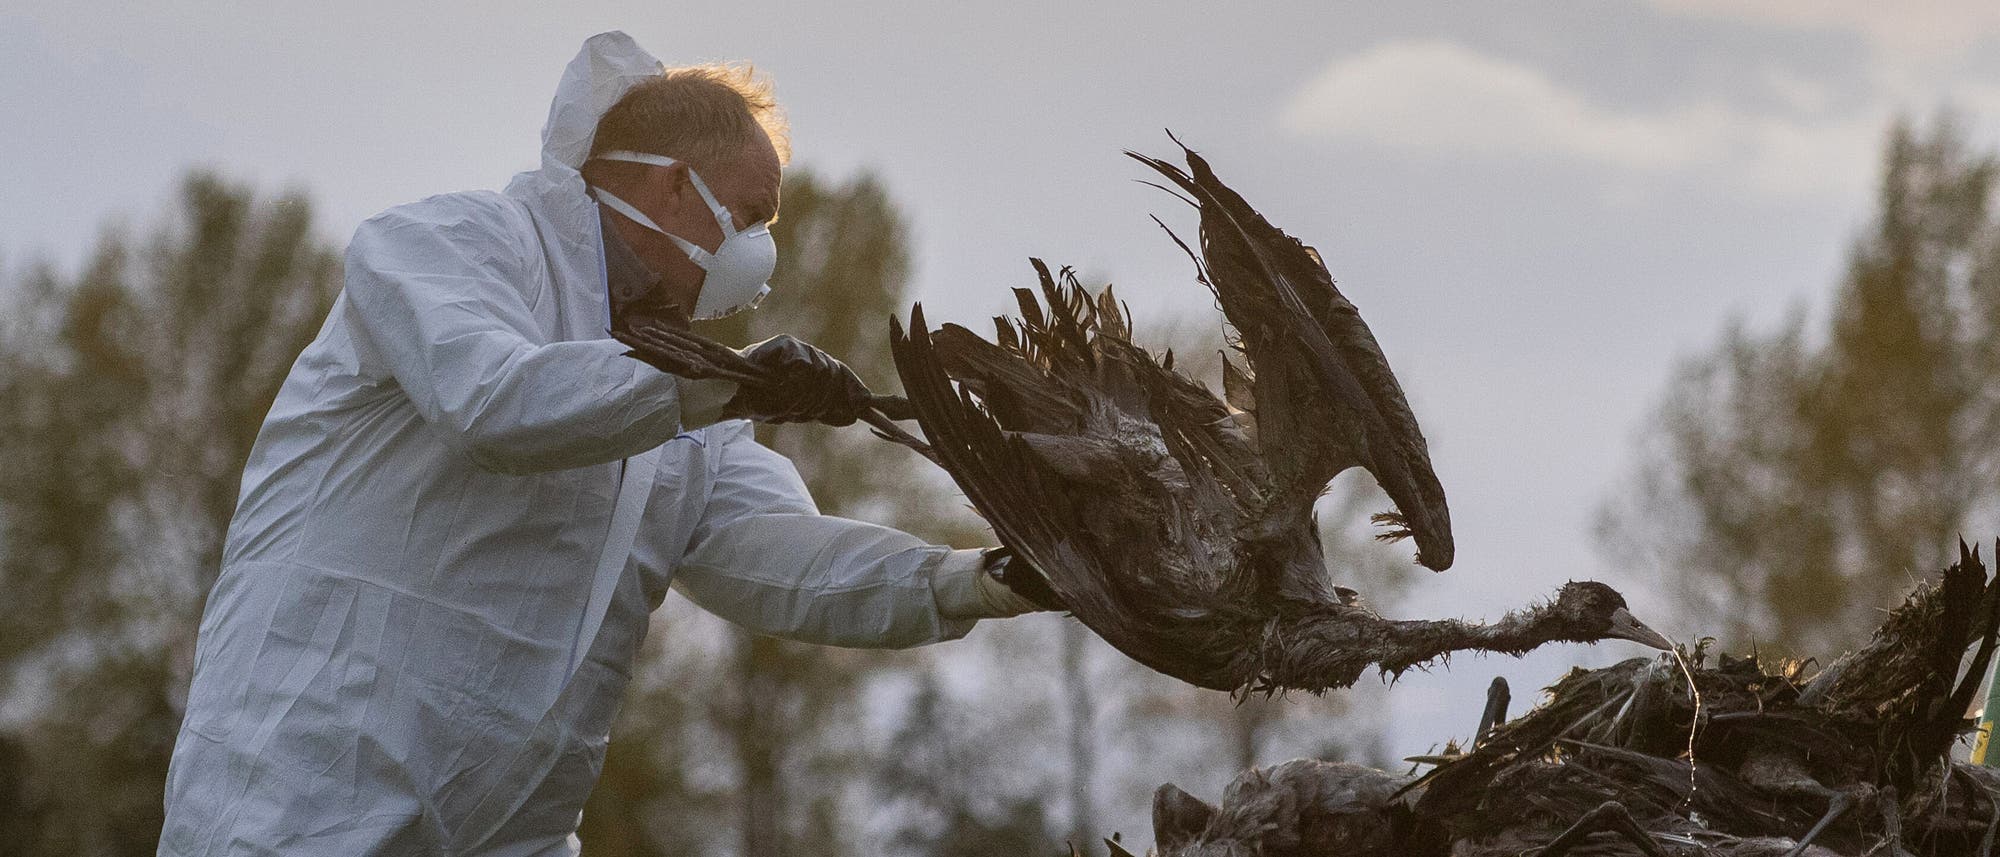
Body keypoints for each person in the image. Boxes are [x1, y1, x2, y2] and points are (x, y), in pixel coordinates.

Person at [157, 31, 1046, 856]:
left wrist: (981, 579)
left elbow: (781, 561)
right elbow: (494, 401)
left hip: (508, 835)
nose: (760, 251)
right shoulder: (450, 248)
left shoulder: (676, 397)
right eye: (750, 214)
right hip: (298, 812)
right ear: (669, 184)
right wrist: (726, 381)